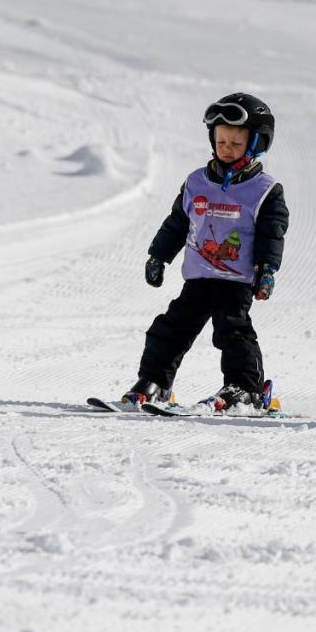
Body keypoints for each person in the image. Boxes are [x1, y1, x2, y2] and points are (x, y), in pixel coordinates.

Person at [125, 93, 290, 411]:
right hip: (199, 277)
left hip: (236, 280)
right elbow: (177, 223)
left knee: (233, 332)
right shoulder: (197, 182)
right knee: (170, 328)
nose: (227, 149)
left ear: (256, 144)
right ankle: (154, 382)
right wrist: (158, 256)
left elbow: (272, 233)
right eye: (221, 141)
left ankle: (246, 389)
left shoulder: (265, 190)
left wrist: (267, 269)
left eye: (236, 143)